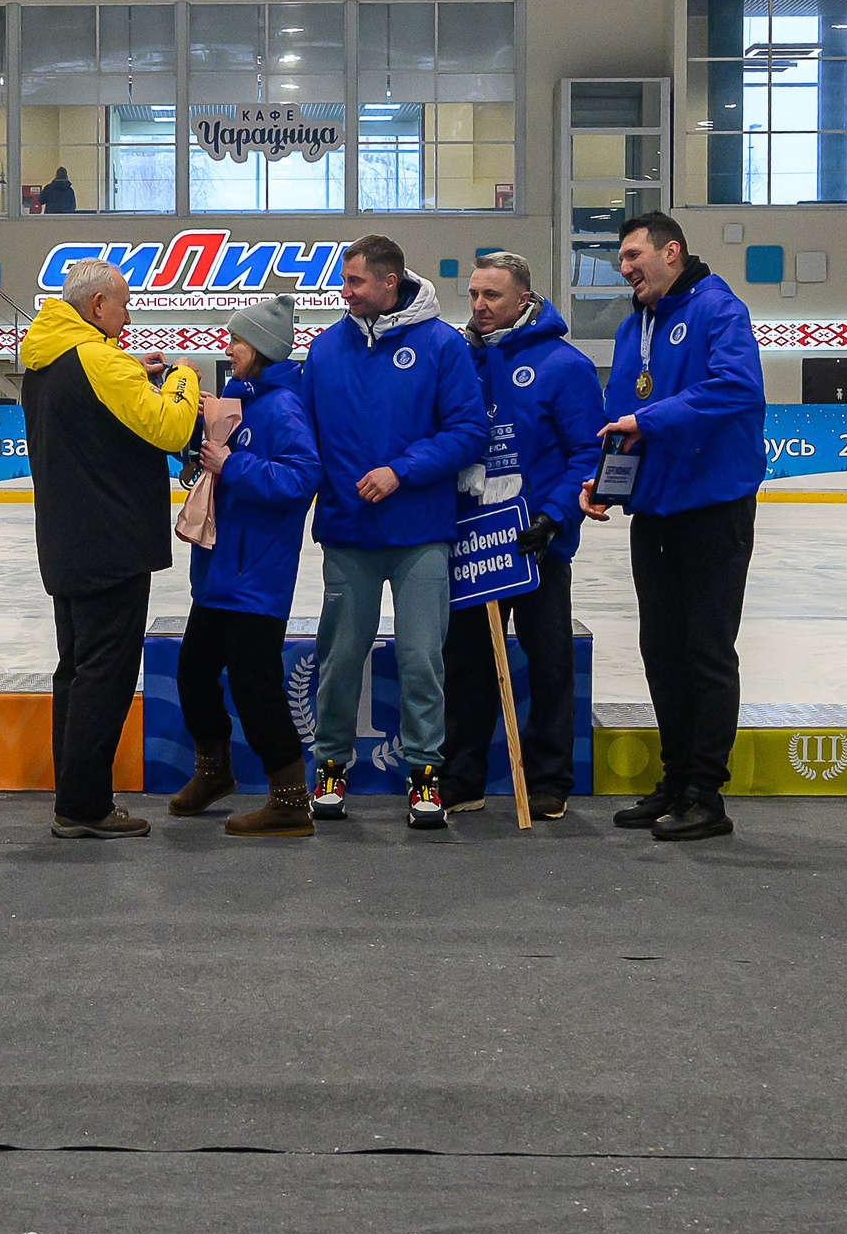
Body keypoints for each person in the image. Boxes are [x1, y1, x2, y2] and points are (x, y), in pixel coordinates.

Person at [580, 211, 765, 842]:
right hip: (654, 508)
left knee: (706, 650)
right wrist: (602, 479)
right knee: (661, 649)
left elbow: (736, 388)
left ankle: (706, 794)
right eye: (622, 260)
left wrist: (649, 422)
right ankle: (675, 778)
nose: (625, 268)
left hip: (712, 505)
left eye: (634, 256)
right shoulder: (637, 325)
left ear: (671, 252)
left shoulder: (720, 310)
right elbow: (620, 416)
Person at [299, 235, 487, 827]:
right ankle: (330, 764)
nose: (345, 292)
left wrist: (401, 472)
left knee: (420, 657)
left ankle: (425, 773)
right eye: (345, 282)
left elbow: (468, 432)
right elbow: (303, 434)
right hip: (349, 532)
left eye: (355, 282)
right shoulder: (326, 349)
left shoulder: (441, 346)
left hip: (420, 533)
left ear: (388, 281)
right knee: (340, 656)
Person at [18, 258, 200, 837]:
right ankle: (86, 806)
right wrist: (181, 378)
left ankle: (72, 796)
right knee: (106, 673)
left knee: (75, 670)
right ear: (98, 307)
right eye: (123, 304)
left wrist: (129, 373)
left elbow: (101, 402)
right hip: (111, 544)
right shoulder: (100, 360)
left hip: (67, 541)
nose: (128, 313)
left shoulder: (47, 358)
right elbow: (171, 428)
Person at [439, 253, 602, 822]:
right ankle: (463, 776)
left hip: (538, 545)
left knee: (550, 661)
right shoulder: (457, 358)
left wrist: (554, 516)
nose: (480, 307)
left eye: (493, 296)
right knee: (467, 664)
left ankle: (549, 778)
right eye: (475, 295)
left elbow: (587, 453)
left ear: (524, 299)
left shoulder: (564, 365)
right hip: (472, 545)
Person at [164, 295, 320, 837]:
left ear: (263, 350)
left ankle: (291, 800)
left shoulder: (284, 407)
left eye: (238, 342)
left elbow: (302, 480)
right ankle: (214, 771)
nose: (229, 350)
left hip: (257, 575)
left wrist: (234, 463)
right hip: (216, 572)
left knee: (256, 685)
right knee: (193, 675)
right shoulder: (238, 398)